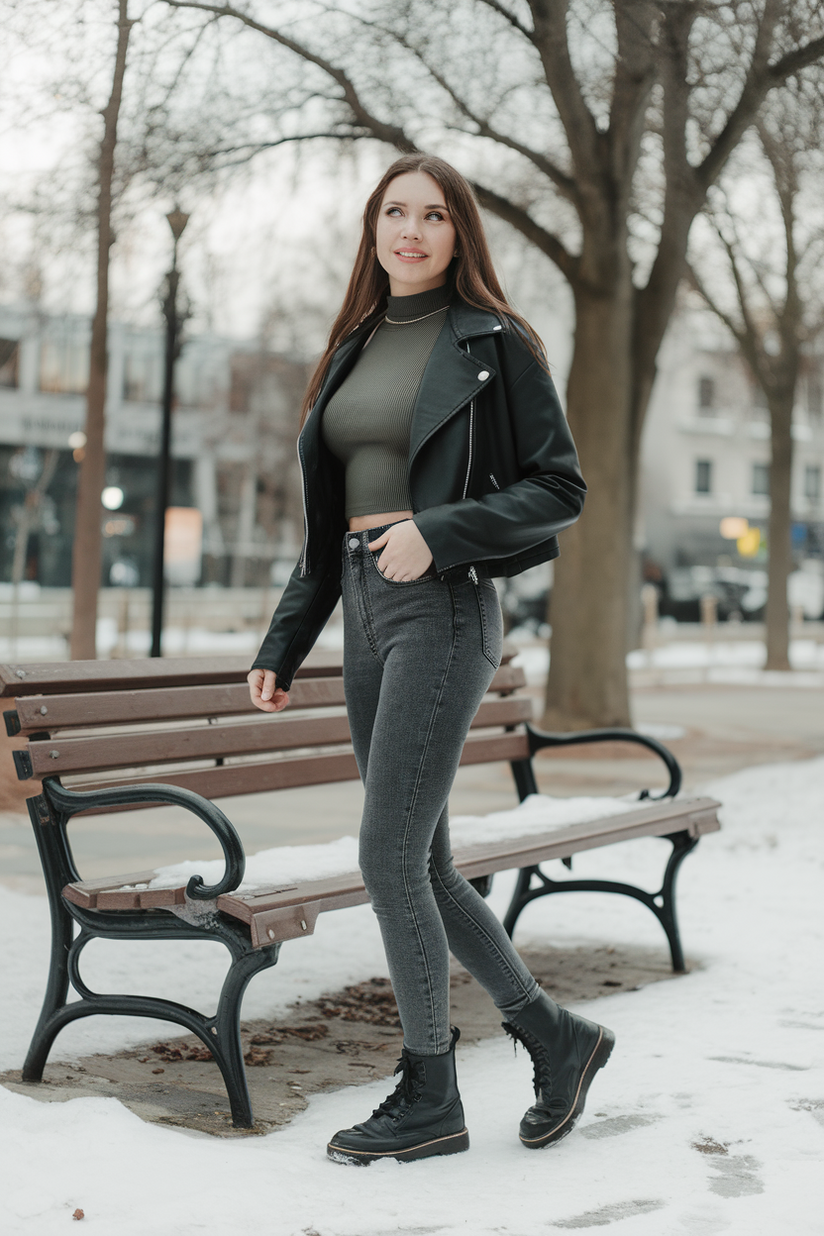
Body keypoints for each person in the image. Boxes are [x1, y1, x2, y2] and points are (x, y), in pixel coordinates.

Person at [247, 153, 614, 1166]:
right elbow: (327, 529)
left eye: (434, 216)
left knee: (384, 856)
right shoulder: (351, 348)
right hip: (364, 605)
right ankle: (557, 1038)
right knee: (427, 862)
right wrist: (284, 643)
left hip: (442, 608)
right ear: (373, 229)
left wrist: (440, 532)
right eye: (394, 212)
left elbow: (559, 486)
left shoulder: (493, 342)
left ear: (459, 236)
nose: (410, 231)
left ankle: (428, 1092)